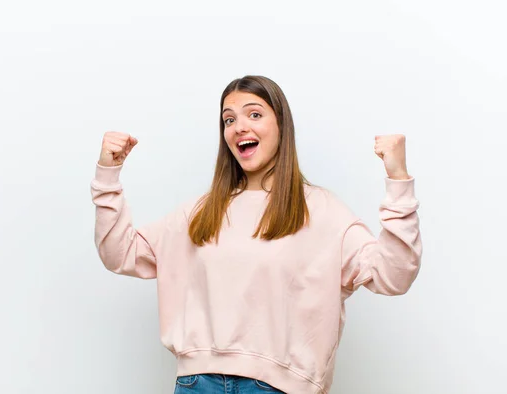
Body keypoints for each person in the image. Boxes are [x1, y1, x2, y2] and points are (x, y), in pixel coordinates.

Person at [89, 75, 422, 394]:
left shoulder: (322, 211)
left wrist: (398, 180)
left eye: (254, 114)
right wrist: (108, 177)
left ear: (281, 126)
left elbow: (394, 276)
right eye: (229, 120)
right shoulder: (201, 213)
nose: (239, 127)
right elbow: (119, 253)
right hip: (197, 385)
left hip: (280, 388)